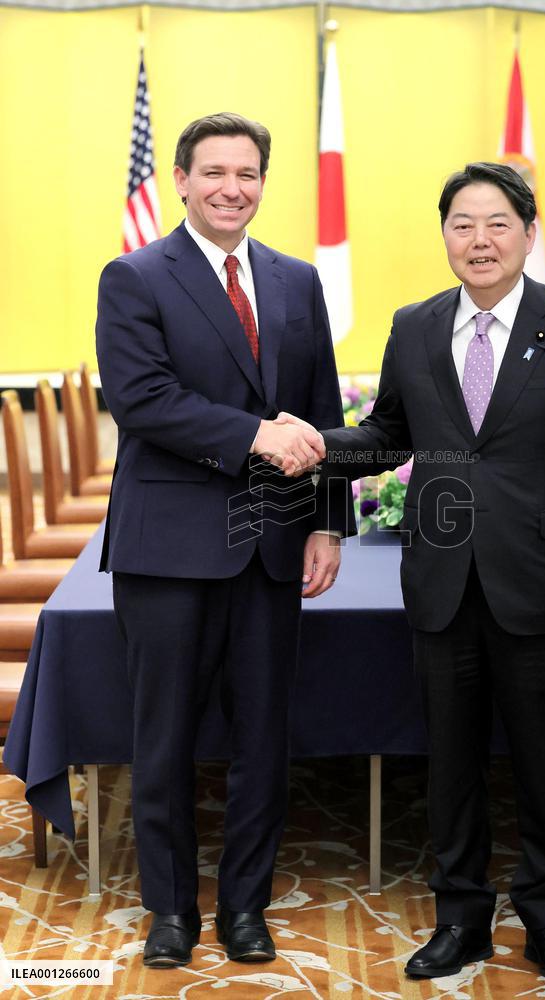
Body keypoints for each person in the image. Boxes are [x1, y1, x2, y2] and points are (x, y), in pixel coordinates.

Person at [279, 162, 545, 981]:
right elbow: (390, 436)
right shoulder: (413, 325)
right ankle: (459, 919)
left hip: (543, 585)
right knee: (449, 763)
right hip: (442, 585)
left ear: (528, 233)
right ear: (443, 235)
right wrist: (318, 443)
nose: (478, 241)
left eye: (496, 224)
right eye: (461, 225)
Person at [96, 112, 355, 969]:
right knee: (163, 742)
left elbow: (322, 412)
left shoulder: (295, 281)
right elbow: (141, 399)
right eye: (213, 172)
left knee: (262, 742)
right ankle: (169, 912)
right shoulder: (134, 276)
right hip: (166, 549)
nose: (230, 188)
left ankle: (246, 907)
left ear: (262, 183)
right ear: (180, 179)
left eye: (246, 173)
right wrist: (254, 436)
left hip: (274, 546)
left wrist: (327, 522)